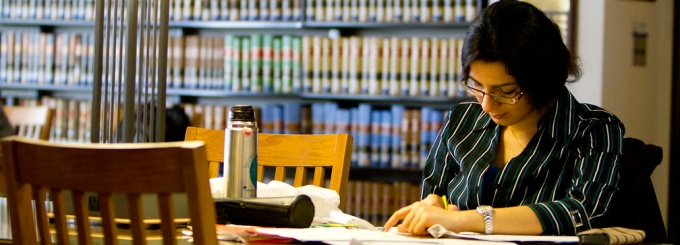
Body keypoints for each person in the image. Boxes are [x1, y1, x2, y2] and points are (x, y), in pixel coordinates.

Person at [383, 0, 625, 236]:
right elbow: (436, 198)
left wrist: (467, 220)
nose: (487, 105)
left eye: (506, 92)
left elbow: (582, 212)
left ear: (542, 80)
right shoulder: (462, 121)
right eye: (477, 86)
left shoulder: (593, 128)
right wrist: (435, 205)